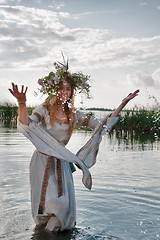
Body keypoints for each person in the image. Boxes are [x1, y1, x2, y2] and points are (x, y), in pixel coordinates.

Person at [8, 60, 139, 232]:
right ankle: (43, 234)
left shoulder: (74, 114)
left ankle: (50, 233)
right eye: (61, 88)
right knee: (45, 209)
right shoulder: (44, 109)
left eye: (68, 89)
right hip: (42, 162)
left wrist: (122, 105)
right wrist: (22, 103)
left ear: (72, 92)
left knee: (62, 207)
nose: (64, 92)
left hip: (62, 163)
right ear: (55, 90)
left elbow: (101, 126)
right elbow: (27, 125)